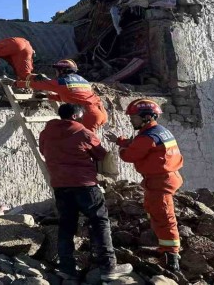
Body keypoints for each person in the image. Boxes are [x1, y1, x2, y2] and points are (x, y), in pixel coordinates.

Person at [39, 103, 133, 280]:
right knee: (99, 222)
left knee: (66, 225)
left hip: (60, 185)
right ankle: (108, 267)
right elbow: (101, 155)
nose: (84, 119)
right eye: (82, 116)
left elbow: (43, 151)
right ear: (75, 117)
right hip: (85, 185)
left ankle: (66, 268)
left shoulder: (46, 132)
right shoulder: (84, 133)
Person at [104, 99, 184, 272]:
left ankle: (172, 256)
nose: (131, 120)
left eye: (134, 117)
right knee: (156, 211)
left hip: (160, 181)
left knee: (164, 216)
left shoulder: (148, 136)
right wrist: (120, 141)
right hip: (164, 177)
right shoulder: (157, 131)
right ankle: (165, 248)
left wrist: (121, 149)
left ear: (146, 117)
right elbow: (140, 144)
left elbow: (130, 155)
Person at [30, 59, 108, 131]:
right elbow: (71, 97)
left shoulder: (63, 82)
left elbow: (37, 84)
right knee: (85, 140)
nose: (56, 72)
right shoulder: (82, 80)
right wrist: (48, 96)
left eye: (57, 70)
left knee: (84, 142)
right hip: (100, 112)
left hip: (89, 114)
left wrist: (18, 83)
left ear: (62, 71)